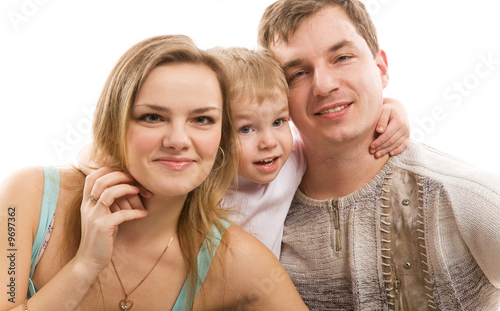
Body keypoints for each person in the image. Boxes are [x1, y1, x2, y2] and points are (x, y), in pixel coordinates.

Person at [0, 35, 308, 310]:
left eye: (201, 119)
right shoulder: (28, 197)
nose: (177, 141)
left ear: (222, 137)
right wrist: (84, 266)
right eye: (152, 117)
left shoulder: (236, 260)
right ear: (114, 123)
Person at [258, 0, 500, 310]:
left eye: (342, 57)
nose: (324, 85)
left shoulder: (465, 196)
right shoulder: (259, 209)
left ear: (381, 68)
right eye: (298, 73)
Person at [210, 46, 410, 258]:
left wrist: (394, 107)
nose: (269, 142)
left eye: (278, 121)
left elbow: (329, 135)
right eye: (246, 129)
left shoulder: (290, 160)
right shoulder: (201, 182)